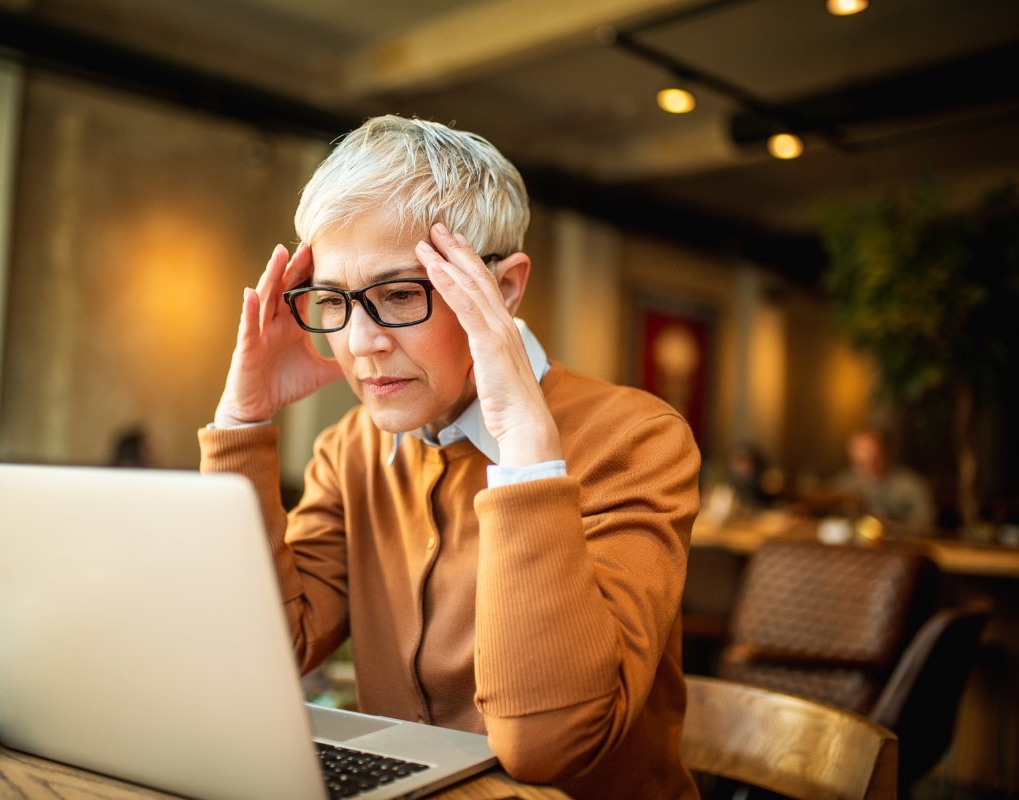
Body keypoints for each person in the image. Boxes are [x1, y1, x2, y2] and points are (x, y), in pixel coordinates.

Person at [200, 116, 700, 799]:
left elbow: (547, 746)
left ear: (507, 287)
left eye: (400, 293)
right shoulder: (349, 449)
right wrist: (242, 421)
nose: (360, 341)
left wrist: (527, 453)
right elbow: (257, 652)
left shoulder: (634, 438)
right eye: (335, 300)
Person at [831, 426, 936, 529]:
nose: (867, 462)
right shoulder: (843, 485)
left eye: (873, 457)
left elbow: (924, 525)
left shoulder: (912, 486)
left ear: (886, 453)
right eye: (860, 461)